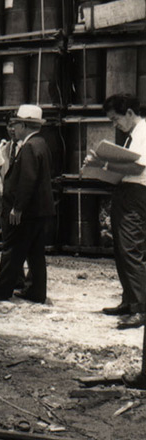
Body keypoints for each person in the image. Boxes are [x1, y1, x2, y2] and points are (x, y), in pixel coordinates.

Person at [85, 94, 146, 329]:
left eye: (116, 119)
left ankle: (139, 308)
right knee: (122, 248)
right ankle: (129, 301)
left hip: (136, 193)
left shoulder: (142, 132)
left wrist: (105, 164)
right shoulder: (134, 134)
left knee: (131, 249)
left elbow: (138, 165)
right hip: (127, 192)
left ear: (130, 113)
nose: (115, 124)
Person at [0, 105, 55, 303]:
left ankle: (0, 291)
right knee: (35, 253)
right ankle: (35, 292)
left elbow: (28, 179)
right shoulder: (41, 143)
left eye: (16, 124)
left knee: (12, 249)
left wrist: (18, 208)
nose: (13, 128)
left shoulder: (29, 147)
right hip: (39, 211)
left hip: (27, 211)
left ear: (24, 125)